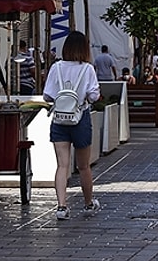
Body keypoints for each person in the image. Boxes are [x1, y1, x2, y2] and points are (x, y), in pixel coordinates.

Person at [42, 31, 102, 220]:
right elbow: (94, 96)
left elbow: (47, 96)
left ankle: (61, 207)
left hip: (59, 119)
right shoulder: (87, 69)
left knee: (62, 165)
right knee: (83, 166)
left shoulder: (56, 67)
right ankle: (88, 203)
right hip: (80, 118)